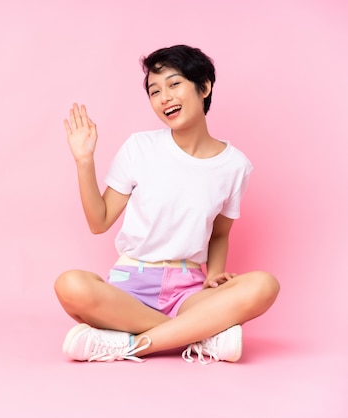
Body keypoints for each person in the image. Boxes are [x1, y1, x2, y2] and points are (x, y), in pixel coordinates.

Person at [54, 45, 280, 364]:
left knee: (264, 285)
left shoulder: (235, 166)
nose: (164, 98)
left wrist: (214, 275)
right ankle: (199, 336)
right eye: (154, 90)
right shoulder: (140, 147)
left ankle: (128, 345)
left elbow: (219, 234)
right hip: (129, 286)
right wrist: (83, 161)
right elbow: (99, 221)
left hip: (189, 293)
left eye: (174, 84)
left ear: (204, 86)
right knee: (71, 284)